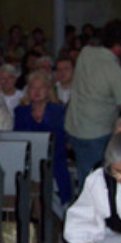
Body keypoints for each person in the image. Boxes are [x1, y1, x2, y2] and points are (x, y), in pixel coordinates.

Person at [65, 19, 121, 189]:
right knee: (95, 180)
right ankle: (89, 212)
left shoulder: (86, 52)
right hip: (96, 133)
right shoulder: (114, 70)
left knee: (85, 173)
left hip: (74, 126)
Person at [14, 71, 72, 205]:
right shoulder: (20, 111)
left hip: (54, 160)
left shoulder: (58, 111)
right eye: (33, 87)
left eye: (41, 87)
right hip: (28, 161)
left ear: (48, 90)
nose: (37, 91)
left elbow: (64, 138)